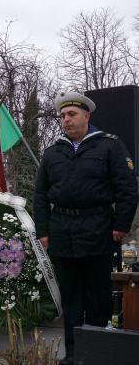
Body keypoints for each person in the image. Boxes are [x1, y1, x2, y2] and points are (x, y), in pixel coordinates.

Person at [34, 92, 138, 365]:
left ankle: (95, 355)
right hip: (62, 233)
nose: (66, 120)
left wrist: (120, 227)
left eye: (72, 115)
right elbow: (41, 195)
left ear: (87, 116)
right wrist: (43, 231)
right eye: (63, 116)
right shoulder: (53, 152)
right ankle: (72, 356)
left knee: (98, 299)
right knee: (70, 300)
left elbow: (127, 189)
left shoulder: (109, 146)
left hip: (98, 231)